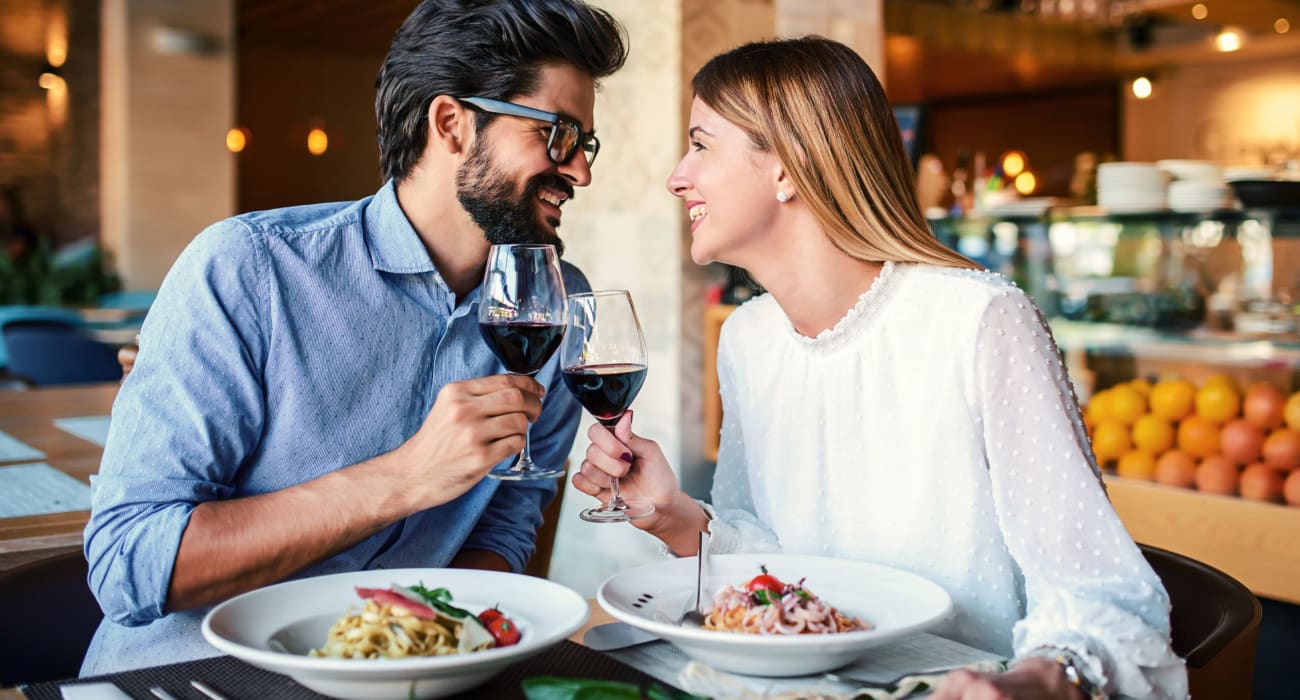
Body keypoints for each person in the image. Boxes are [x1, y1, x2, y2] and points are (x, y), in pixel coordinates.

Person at [573, 38, 1187, 699]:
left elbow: (1103, 593)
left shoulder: (978, 322)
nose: (676, 176)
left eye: (701, 144)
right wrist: (674, 516)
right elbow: (777, 560)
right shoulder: (750, 339)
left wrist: (1038, 680)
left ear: (789, 167)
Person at [81, 0, 626, 674]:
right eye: (557, 134)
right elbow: (129, 563)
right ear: (451, 123)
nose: (580, 171)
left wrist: (453, 653)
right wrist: (403, 477)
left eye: (584, 143)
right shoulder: (250, 267)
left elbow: (507, 522)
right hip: (189, 676)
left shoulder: (560, 303)